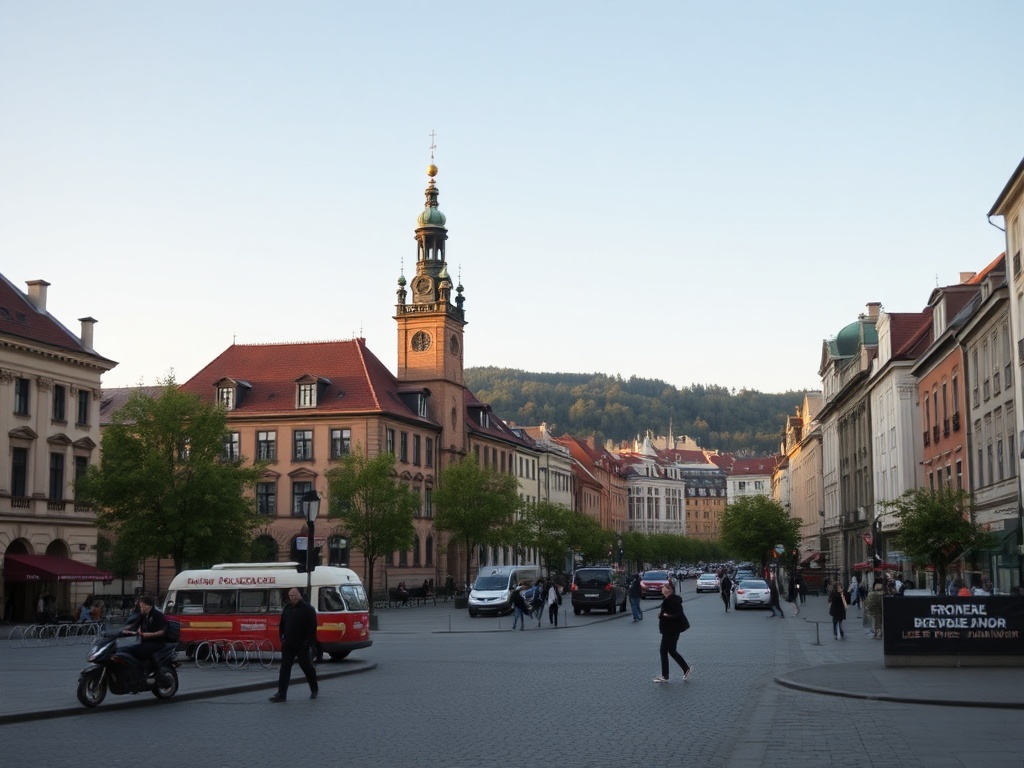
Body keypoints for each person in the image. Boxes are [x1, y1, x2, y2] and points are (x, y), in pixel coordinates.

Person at [270, 587, 318, 702]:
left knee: (306, 666)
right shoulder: (287, 608)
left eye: (293, 596)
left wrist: (307, 642)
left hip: (301, 644)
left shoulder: (308, 609)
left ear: (299, 596)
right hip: (288, 644)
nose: (291, 598)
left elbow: (312, 627)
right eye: (290, 596)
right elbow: (282, 625)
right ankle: (282, 694)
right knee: (285, 668)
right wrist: (282, 638)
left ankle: (314, 688)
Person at [652, 582, 691, 683]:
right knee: (672, 650)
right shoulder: (669, 599)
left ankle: (665, 676)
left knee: (663, 650)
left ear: (668, 590)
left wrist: (664, 615)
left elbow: (678, 614)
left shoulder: (672, 601)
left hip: (670, 629)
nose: (662, 589)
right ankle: (685, 668)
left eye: (664, 588)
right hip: (672, 629)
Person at [121, 595, 167, 676]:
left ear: (147, 606)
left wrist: (145, 634)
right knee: (127, 649)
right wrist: (125, 630)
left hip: (157, 642)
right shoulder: (143, 615)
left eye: (142, 606)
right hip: (145, 641)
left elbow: (162, 632)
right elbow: (135, 625)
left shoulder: (157, 615)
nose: (140, 608)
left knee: (139, 650)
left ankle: (157, 671)